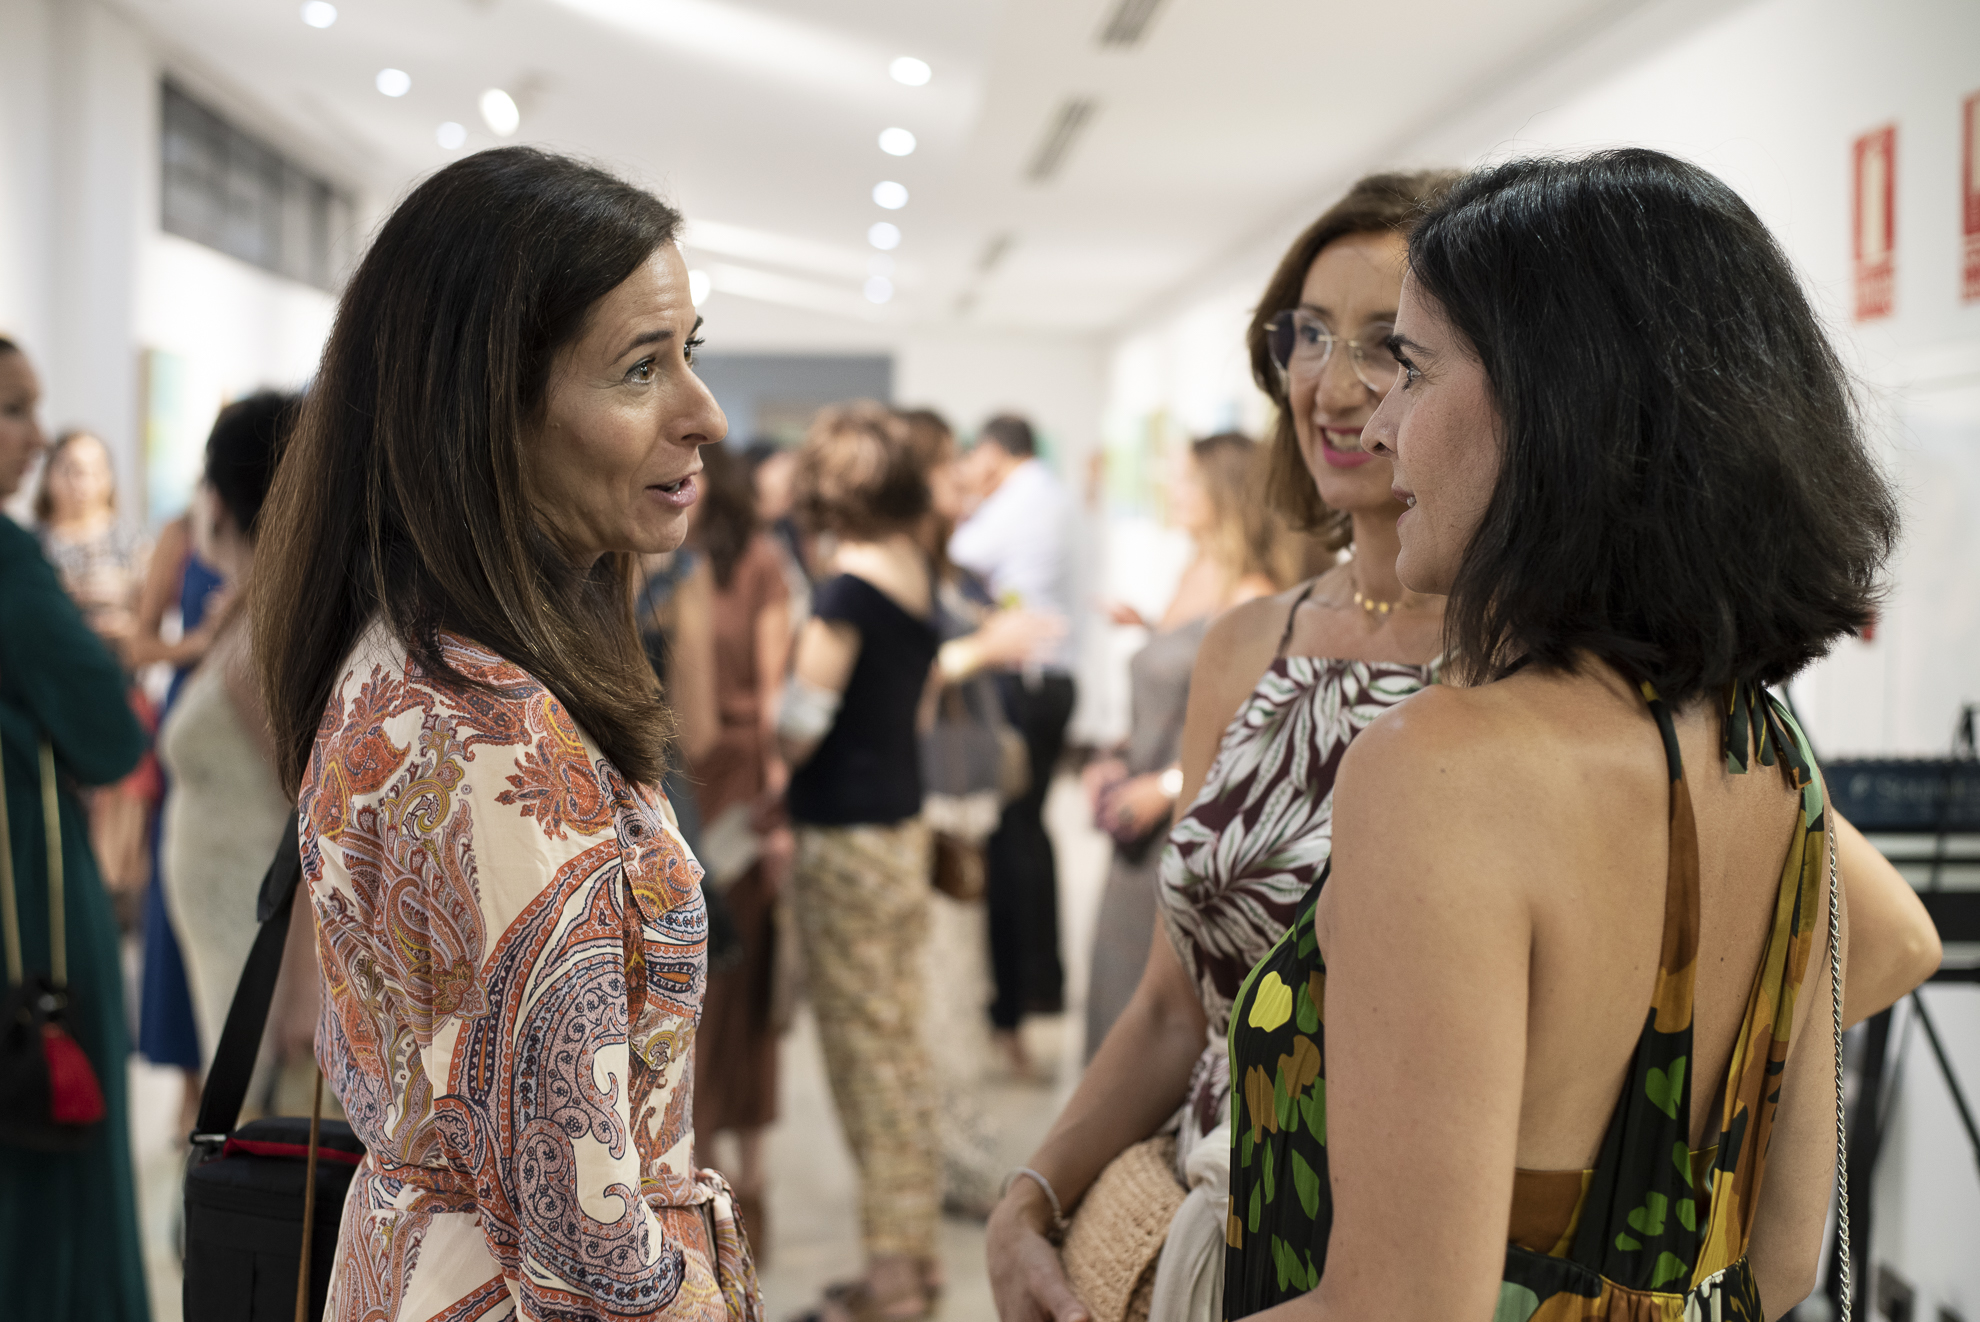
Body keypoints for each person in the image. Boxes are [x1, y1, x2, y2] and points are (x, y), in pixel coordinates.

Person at [1220, 150, 1943, 1320]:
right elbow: (1779, 1260)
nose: (1382, 420)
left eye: (1412, 366)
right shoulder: (1769, 758)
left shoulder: (1440, 770)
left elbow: (1397, 1308)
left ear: (1557, 402)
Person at [251, 147, 759, 1322]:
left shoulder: (409, 648)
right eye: (641, 368)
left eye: (690, 352)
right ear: (486, 409)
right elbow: (591, 1262)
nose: (705, 414)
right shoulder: (497, 737)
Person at [988, 170, 1459, 1322]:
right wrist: (1031, 1193)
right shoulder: (1251, 642)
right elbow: (1173, 1004)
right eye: (1310, 334)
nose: (1333, 386)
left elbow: (1843, 919)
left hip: (1409, 1263)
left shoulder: (1533, 656)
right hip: (1208, 1233)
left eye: (1388, 344)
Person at [778, 402, 943, 1322]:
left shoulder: (845, 590)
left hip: (845, 840)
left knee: (864, 1060)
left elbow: (802, 725)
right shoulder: (913, 570)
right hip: (900, 831)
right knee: (899, 1049)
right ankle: (913, 1257)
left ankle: (891, 1278)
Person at [0, 335, 152, 1319]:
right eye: (13, 408)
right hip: (24, 899)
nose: (36, 436)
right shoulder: (9, 561)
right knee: (50, 1153)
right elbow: (106, 730)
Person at [1082, 431, 1285, 1056]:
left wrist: (1167, 785)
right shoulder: (1193, 574)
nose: (1173, 491)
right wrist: (1111, 758)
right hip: (1137, 827)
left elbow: (1253, 730)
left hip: (1185, 827)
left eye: (1188, 480)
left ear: (1226, 492)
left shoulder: (1250, 594)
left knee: (1154, 1016)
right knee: (1115, 996)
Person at [157, 393, 299, 1074]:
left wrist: (304, 984)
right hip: (232, 915)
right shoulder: (254, 607)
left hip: (254, 921)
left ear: (216, 499)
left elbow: (311, 811)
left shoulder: (264, 634)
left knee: (250, 1095)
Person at [688, 439, 792, 1253]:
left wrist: (778, 812)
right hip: (696, 787)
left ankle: (740, 1176)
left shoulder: (754, 564)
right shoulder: (675, 565)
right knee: (706, 988)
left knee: (733, 987)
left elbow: (777, 698)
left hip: (725, 792)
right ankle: (722, 1171)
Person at [948, 413, 1075, 1072]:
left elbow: (957, 551)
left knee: (1010, 843)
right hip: (1054, 680)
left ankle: (1016, 1003)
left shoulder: (1015, 502)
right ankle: (1037, 989)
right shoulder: (1053, 494)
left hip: (1021, 683)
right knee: (1030, 835)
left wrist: (967, 502)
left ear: (994, 453)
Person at [34, 429, 155, 902]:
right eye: (70, 469)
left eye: (92, 470)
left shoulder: (133, 543)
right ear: (49, 476)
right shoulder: (32, 544)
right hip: (48, 708)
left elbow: (151, 631)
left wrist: (123, 626)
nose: (81, 483)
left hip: (115, 698)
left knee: (115, 851)